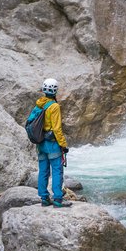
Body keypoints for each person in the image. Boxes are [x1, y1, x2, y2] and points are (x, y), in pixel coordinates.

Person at [36, 78, 71, 208]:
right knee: (57, 170)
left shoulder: (39, 104)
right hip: (52, 144)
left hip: (40, 144)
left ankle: (44, 198)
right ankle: (57, 199)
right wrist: (63, 144)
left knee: (43, 171)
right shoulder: (54, 106)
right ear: (55, 90)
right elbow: (56, 128)